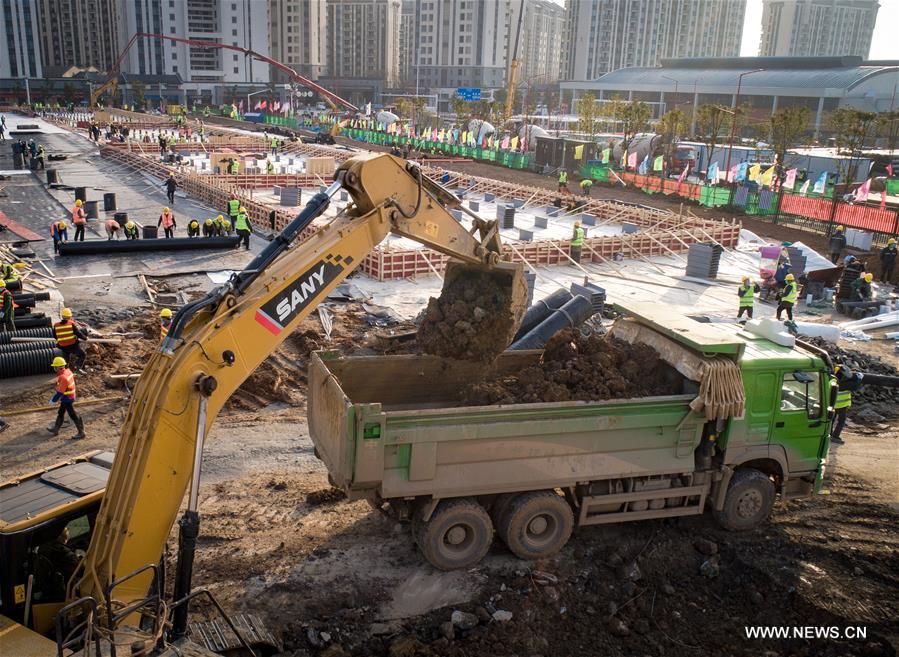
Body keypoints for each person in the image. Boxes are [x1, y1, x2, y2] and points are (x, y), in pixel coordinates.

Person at [47, 356, 85, 439]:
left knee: (73, 415)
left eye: (55, 366)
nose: (54, 368)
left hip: (67, 398)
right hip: (69, 396)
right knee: (61, 412)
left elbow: (60, 392)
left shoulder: (63, 377)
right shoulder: (68, 371)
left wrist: (53, 400)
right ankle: (56, 429)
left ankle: (81, 432)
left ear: (58, 367)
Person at [830, 365, 862, 444]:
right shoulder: (849, 383)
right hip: (842, 405)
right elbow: (856, 387)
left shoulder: (832, 381)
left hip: (833, 404)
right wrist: (858, 379)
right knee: (841, 421)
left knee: (831, 420)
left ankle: (829, 434)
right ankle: (835, 436)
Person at [54, 308, 88, 372]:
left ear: (62, 316)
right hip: (73, 346)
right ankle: (76, 367)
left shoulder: (56, 325)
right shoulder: (70, 324)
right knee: (82, 355)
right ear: (69, 316)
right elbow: (78, 333)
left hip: (63, 346)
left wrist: (63, 339)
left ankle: (66, 371)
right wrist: (85, 338)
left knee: (66, 359)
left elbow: (55, 336)